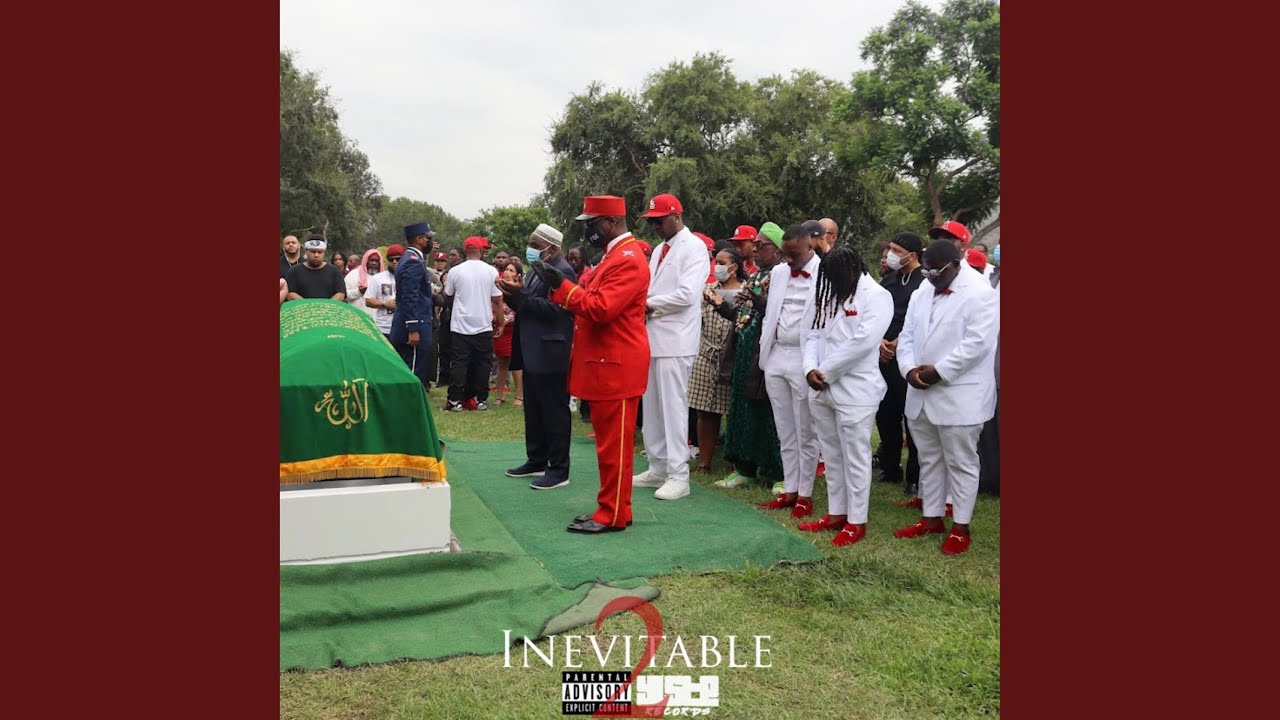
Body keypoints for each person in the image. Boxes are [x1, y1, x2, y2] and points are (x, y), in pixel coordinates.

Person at [530, 195, 650, 533]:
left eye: (592, 224)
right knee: (610, 446)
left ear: (610, 222)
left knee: (614, 448)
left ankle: (611, 514)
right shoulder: (615, 255)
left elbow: (600, 308)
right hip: (607, 362)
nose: (588, 231)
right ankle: (616, 508)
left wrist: (561, 286)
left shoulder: (627, 259)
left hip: (616, 364)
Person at [893, 240, 999, 555]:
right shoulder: (923, 289)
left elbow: (978, 343)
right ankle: (931, 517)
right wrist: (908, 369)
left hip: (960, 394)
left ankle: (961, 527)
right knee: (929, 458)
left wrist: (939, 371)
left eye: (936, 272)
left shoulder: (980, 292)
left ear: (955, 264)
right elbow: (907, 335)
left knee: (961, 462)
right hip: (920, 392)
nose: (930, 278)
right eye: (926, 272)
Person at [798, 246, 893, 546]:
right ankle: (836, 512)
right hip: (821, 388)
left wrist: (824, 372)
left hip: (855, 390)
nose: (831, 282)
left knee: (856, 457)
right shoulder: (830, 292)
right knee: (831, 454)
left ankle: (856, 521)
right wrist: (809, 368)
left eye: (836, 276)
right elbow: (813, 333)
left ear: (853, 269)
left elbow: (863, 343)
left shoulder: (877, 296)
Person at [630, 193, 707, 502]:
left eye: (659, 221)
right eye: (652, 222)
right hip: (652, 337)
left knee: (673, 409)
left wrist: (648, 304)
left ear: (677, 217)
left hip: (676, 340)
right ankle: (658, 466)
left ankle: (679, 475)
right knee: (652, 408)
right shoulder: (660, 249)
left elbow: (687, 295)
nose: (655, 227)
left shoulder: (695, 247)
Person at [498, 223, 578, 490]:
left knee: (554, 411)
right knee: (533, 409)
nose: (530, 249)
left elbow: (556, 310)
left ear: (551, 247)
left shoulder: (563, 271)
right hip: (532, 348)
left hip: (551, 350)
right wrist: (511, 293)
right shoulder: (536, 269)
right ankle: (537, 459)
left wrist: (519, 295)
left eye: (535, 245)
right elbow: (527, 303)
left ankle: (559, 469)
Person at [755, 223, 823, 518]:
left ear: (810, 246)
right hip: (776, 355)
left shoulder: (824, 272)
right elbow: (772, 313)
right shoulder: (780, 272)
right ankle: (790, 488)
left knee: (806, 429)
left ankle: (805, 494)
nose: (789, 259)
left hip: (804, 358)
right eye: (785, 254)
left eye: (794, 254)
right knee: (784, 428)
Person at [718, 222, 785, 489]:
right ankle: (744, 468)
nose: (755, 249)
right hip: (744, 354)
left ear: (778, 250)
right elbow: (743, 314)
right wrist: (722, 307)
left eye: (761, 245)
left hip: (766, 354)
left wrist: (760, 303)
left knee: (766, 415)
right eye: (754, 244)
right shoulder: (757, 276)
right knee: (742, 411)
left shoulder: (783, 276)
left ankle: (778, 473)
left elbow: (779, 315)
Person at [876, 232, 926, 496]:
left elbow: (920, 320)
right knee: (886, 415)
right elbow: (876, 313)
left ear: (913, 255)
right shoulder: (889, 280)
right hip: (882, 355)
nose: (890, 255)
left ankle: (915, 475)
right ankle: (889, 466)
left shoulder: (924, 282)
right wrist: (880, 342)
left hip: (908, 359)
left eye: (896, 250)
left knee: (912, 418)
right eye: (890, 249)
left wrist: (897, 343)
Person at [690, 246, 746, 474]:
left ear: (734, 267)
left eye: (722, 263)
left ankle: (735, 463)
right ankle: (705, 462)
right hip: (706, 356)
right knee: (705, 412)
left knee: (734, 413)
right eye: (716, 262)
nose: (717, 266)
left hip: (732, 359)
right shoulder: (706, 290)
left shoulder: (746, 291)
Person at [443, 236, 504, 411]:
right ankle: (481, 399)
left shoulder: (455, 271)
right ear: (481, 251)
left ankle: (455, 400)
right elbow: (497, 300)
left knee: (459, 363)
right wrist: (501, 323)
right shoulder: (490, 271)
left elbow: (448, 294)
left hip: (460, 324)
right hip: (483, 323)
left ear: (465, 251)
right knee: (483, 363)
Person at [391, 224, 436, 391]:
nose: (430, 241)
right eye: (428, 238)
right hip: (414, 323)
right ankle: (408, 402)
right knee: (413, 371)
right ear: (419, 239)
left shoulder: (410, 258)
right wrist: (413, 328)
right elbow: (410, 297)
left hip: (411, 321)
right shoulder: (413, 262)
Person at [491, 260, 521, 406]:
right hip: (500, 329)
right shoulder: (498, 288)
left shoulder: (519, 290)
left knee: (516, 362)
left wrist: (505, 320)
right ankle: (499, 394)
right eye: (506, 270)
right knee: (501, 362)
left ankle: (519, 396)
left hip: (514, 328)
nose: (507, 273)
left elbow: (518, 309)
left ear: (518, 275)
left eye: (511, 270)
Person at [285, 235, 346, 300]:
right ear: (306, 252)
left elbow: (340, 293)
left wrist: (327, 305)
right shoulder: (294, 271)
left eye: (320, 252)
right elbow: (290, 293)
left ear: (324, 253)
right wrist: (307, 304)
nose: (316, 255)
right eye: (313, 252)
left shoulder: (334, 271)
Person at [363, 244, 402, 341]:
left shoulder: (409, 277)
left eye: (398, 259)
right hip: (383, 328)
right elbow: (368, 301)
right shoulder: (378, 278)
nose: (394, 262)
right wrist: (384, 303)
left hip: (403, 328)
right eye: (391, 259)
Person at [345, 249, 382, 321]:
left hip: (377, 320)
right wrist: (359, 292)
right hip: (356, 318)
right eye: (371, 260)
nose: (374, 263)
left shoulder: (382, 278)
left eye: (376, 261)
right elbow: (344, 295)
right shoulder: (353, 275)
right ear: (366, 261)